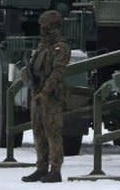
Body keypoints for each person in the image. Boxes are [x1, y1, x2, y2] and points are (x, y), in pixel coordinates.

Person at [21, 10, 71, 183]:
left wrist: (45, 92)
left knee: (53, 132)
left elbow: (58, 72)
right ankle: (41, 167)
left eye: (44, 25)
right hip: (38, 93)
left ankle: (55, 170)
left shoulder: (60, 47)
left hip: (51, 96)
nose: (41, 28)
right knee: (38, 131)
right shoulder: (42, 46)